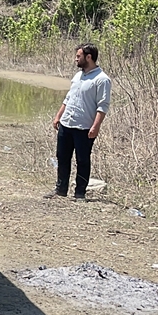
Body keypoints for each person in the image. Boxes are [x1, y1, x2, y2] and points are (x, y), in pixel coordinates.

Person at [45, 44, 111, 200]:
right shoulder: (77, 76)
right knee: (62, 157)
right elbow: (69, 98)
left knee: (82, 160)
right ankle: (61, 190)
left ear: (89, 57)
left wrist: (96, 126)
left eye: (78, 56)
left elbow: (103, 106)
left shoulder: (102, 80)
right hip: (67, 124)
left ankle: (80, 193)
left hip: (84, 127)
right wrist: (58, 116)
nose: (76, 59)